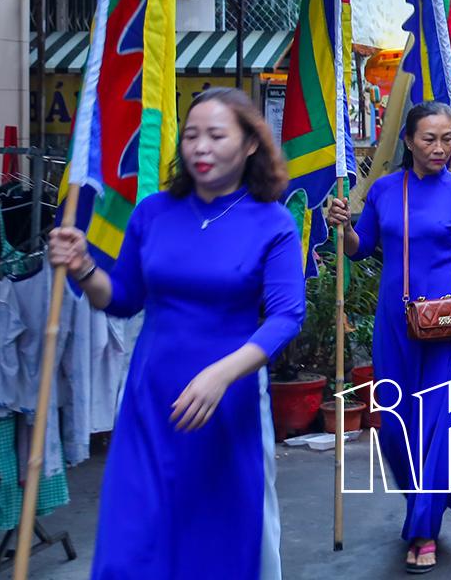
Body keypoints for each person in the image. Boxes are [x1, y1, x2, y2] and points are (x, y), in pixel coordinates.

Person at [46, 87, 304, 580]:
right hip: (149, 401)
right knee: (133, 543)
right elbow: (120, 299)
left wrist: (221, 376)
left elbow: (287, 316)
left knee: (219, 546)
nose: (200, 147)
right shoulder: (153, 212)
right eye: (191, 136)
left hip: (227, 405)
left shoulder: (272, 222)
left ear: (250, 144)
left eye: (215, 135)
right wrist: (82, 268)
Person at [325, 102, 451, 573]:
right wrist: (345, 227)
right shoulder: (383, 190)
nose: (438, 148)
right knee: (397, 431)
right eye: (428, 139)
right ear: (408, 141)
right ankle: (421, 505)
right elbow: (361, 250)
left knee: (440, 429)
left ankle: (423, 530)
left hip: (448, 329)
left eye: (446, 139)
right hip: (395, 328)